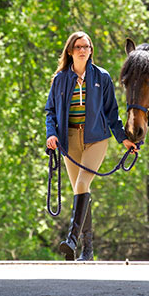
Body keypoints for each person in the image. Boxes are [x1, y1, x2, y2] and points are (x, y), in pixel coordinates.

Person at [45, 31, 137, 261]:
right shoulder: (60, 79)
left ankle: (72, 239)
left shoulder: (102, 77)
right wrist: (51, 134)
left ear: (91, 51)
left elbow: (111, 113)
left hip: (96, 139)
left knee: (83, 182)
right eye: (78, 47)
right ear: (70, 51)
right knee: (79, 189)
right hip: (69, 140)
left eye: (87, 46)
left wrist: (123, 138)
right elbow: (51, 112)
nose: (83, 50)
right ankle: (87, 250)